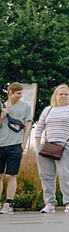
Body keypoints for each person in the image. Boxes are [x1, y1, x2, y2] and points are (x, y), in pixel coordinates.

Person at [32, 84, 69, 214]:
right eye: (61, 94)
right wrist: (38, 145)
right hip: (47, 146)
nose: (63, 96)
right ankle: (49, 203)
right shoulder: (48, 110)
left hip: (65, 146)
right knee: (46, 175)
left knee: (65, 174)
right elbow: (39, 127)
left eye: (66, 94)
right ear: (55, 95)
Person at [1, 82, 34, 214]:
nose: (20, 96)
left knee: (10, 175)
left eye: (21, 93)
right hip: (1, 144)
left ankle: (9, 203)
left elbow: (28, 125)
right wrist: (3, 115)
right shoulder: (2, 106)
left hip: (15, 144)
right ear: (10, 93)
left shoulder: (26, 107)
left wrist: (24, 142)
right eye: (18, 93)